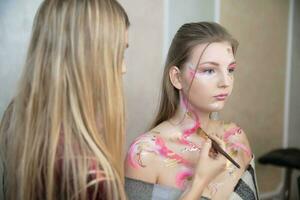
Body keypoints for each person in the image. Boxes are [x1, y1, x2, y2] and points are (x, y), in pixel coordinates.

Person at [0, 0, 129, 199]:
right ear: (89, 58)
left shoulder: (16, 117)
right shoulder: (93, 179)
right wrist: (195, 185)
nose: (123, 68)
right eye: (118, 54)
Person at [125, 22, 259, 200]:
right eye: (209, 70)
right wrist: (200, 181)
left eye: (230, 70)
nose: (225, 82)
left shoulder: (236, 139)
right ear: (177, 78)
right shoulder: (145, 155)